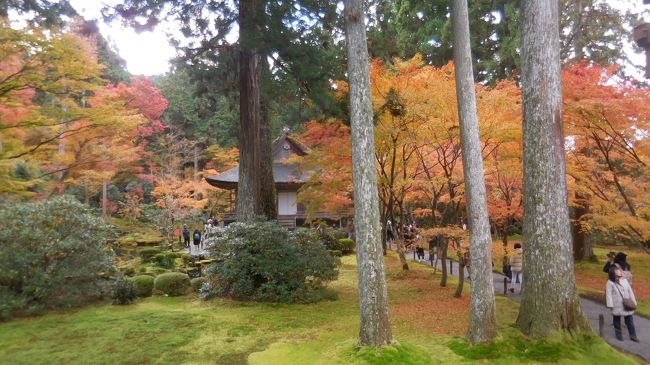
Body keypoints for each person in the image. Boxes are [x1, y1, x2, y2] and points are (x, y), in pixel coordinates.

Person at [606, 266, 639, 342]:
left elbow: (630, 291)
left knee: (630, 320)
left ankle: (633, 335)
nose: (620, 271)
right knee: (617, 320)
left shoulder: (624, 280)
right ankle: (619, 335)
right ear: (613, 273)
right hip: (617, 304)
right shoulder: (610, 282)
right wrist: (610, 305)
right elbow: (609, 294)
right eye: (617, 270)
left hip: (627, 303)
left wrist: (633, 301)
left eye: (619, 270)